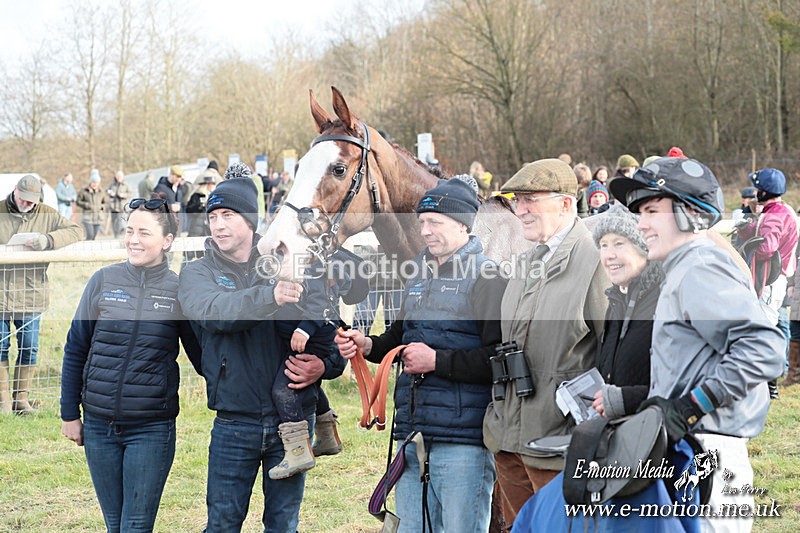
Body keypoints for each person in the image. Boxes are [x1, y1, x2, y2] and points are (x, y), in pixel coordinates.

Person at [610, 156, 784, 533]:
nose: (641, 223)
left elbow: (765, 349)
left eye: (652, 210)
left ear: (691, 214)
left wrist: (691, 406)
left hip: (709, 457)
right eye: (640, 212)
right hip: (693, 453)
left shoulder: (699, 265)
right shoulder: (684, 267)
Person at [336, 177, 507, 532]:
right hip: (412, 435)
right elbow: (402, 335)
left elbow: (500, 360)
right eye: (422, 222)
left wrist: (437, 362)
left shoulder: (488, 277)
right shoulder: (416, 275)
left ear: (463, 224)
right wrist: (368, 345)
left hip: (464, 442)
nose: (425, 231)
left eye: (436, 222)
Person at [178, 177, 331, 532]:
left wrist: (324, 365)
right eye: (212, 216)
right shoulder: (197, 272)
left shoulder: (290, 260)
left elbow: (325, 320)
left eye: (228, 214)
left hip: (291, 420)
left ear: (250, 219)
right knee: (223, 523)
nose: (217, 224)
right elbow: (216, 313)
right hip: (234, 422)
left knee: (283, 523)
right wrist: (270, 296)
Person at [60, 196, 201, 532]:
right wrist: (69, 413)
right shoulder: (102, 280)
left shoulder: (180, 290)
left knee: (135, 525)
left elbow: (204, 356)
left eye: (144, 233)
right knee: (114, 524)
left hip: (151, 429)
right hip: (98, 426)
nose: (133, 240)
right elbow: (76, 347)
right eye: (129, 231)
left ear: (167, 241)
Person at [482, 158, 609, 524]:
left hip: (561, 447)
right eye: (516, 200)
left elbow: (612, 355)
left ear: (566, 203)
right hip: (509, 441)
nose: (518, 210)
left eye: (529, 200)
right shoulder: (525, 261)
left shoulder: (595, 260)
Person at [269, 248, 368, 479]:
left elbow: (321, 300)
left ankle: (298, 451)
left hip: (312, 337)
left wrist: (304, 330)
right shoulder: (290, 259)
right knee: (310, 383)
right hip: (308, 335)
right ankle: (327, 436)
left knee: (284, 389)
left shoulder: (312, 261)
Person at [1, 175, 84, 414]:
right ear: (15, 191)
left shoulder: (47, 214)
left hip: (31, 292)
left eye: (32, 201)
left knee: (29, 346)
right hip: (1, 292)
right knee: (1, 346)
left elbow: (76, 230)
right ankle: (3, 402)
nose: (28, 204)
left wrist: (48, 240)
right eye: (24, 199)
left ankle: (21, 399)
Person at [590, 204, 663, 419]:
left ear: (644, 246)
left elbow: (686, 384)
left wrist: (627, 399)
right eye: (603, 245)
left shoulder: (667, 299)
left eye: (619, 244)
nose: (609, 255)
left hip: (662, 440)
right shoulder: (615, 301)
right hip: (623, 437)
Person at [734, 168, 797, 399]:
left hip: (769, 280)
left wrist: (748, 246)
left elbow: (767, 247)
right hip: (771, 279)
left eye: (758, 190)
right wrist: (746, 229)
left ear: (765, 192)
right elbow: (761, 229)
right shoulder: (777, 210)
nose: (755, 194)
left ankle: (769, 388)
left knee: (764, 332)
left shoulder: (774, 215)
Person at [184, 169, 218, 262]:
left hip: (208, 229)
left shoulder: (214, 196)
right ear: (207, 184)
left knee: (207, 256)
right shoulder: (197, 195)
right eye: (212, 184)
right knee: (189, 255)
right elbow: (188, 210)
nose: (213, 186)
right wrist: (199, 206)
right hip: (196, 228)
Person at [76, 169, 108, 240]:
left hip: (98, 217)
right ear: (90, 182)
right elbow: (78, 201)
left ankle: (91, 250)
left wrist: (102, 207)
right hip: (87, 216)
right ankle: (85, 248)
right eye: (93, 182)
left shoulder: (101, 192)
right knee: (90, 235)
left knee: (94, 236)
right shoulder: (84, 191)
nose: (94, 184)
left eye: (96, 182)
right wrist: (86, 205)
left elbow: (105, 202)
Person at [107, 171, 133, 238]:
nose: (118, 178)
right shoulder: (112, 184)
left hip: (121, 206)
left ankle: (117, 234)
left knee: (119, 220)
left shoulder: (126, 185)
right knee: (113, 221)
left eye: (120, 176)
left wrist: (123, 195)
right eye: (117, 176)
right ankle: (115, 233)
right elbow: (107, 190)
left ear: (122, 177)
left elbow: (130, 193)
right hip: (113, 206)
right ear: (115, 177)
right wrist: (110, 193)